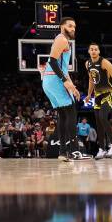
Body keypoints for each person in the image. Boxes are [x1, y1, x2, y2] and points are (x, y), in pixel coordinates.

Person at [41, 17, 91, 161]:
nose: (73, 29)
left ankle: (62, 153)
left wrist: (72, 86)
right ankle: (75, 152)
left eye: (74, 26)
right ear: (62, 26)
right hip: (55, 79)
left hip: (49, 81)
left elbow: (64, 68)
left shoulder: (62, 40)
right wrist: (64, 81)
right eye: (70, 26)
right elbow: (52, 61)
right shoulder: (62, 39)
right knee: (71, 112)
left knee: (63, 116)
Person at [84, 43, 112, 159]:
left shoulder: (104, 62)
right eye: (91, 49)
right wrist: (89, 94)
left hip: (108, 94)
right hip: (97, 96)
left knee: (102, 117)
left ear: (99, 51)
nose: (94, 51)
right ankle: (101, 149)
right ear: (89, 51)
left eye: (96, 49)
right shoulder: (87, 63)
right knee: (98, 123)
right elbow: (91, 80)